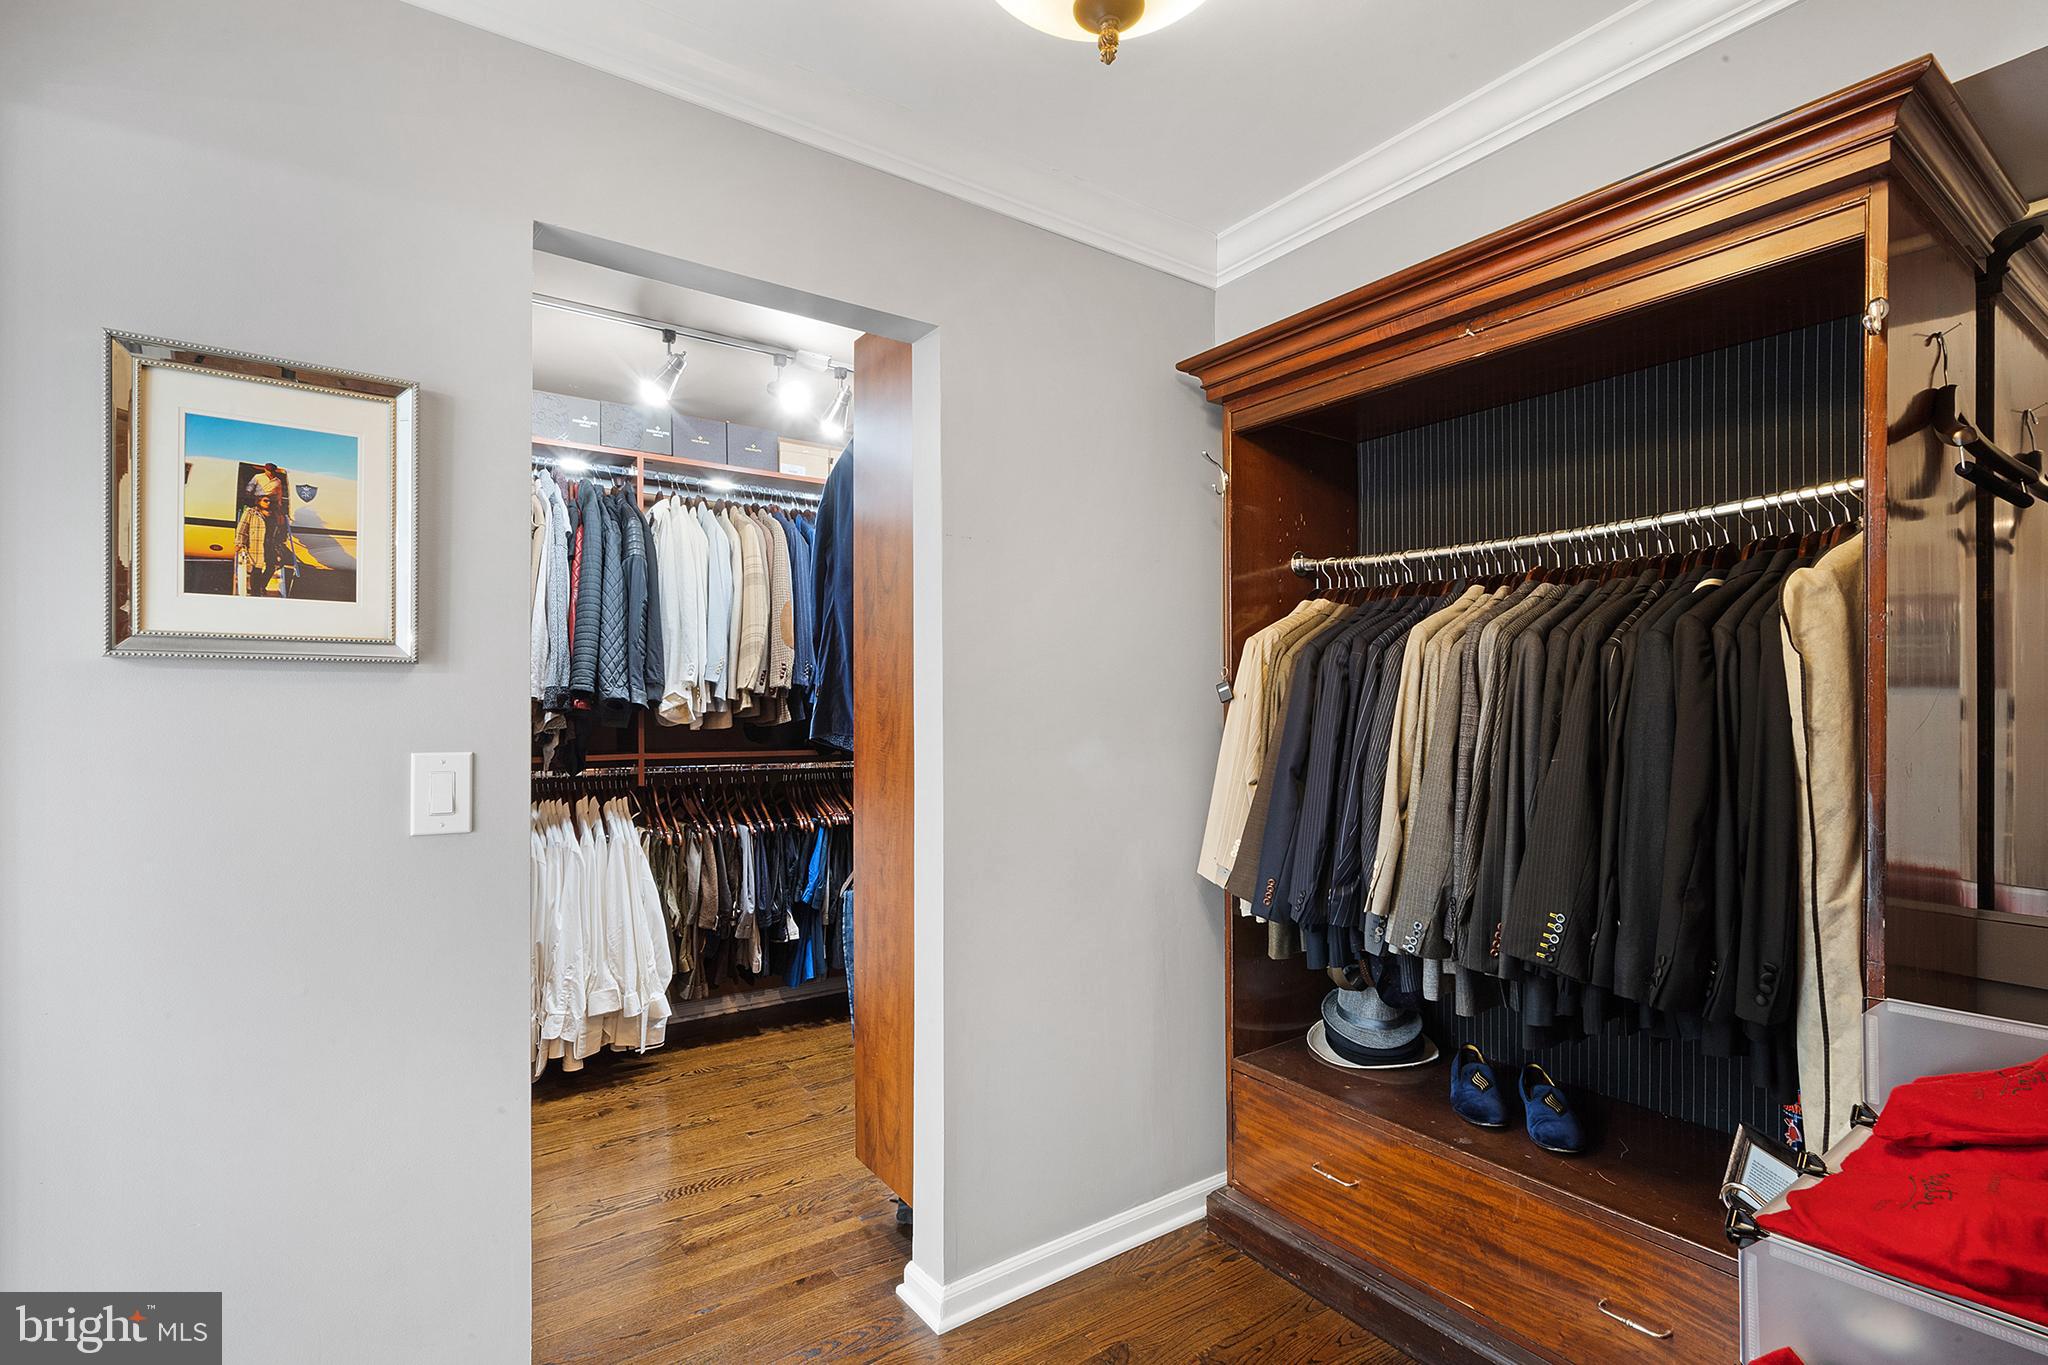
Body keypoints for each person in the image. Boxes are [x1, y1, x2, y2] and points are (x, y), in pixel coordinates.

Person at [235, 493, 290, 597]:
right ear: (259, 501)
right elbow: (242, 528)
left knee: (272, 566)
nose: (268, 503)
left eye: (269, 501)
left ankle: (262, 585)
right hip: (256, 543)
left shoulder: (274, 514)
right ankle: (255, 592)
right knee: (257, 568)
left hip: (270, 544)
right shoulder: (251, 512)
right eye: (265, 500)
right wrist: (239, 543)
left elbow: (280, 530)